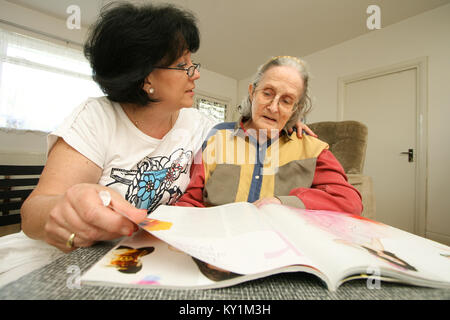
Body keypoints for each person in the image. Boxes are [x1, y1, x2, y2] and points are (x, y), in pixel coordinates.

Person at [0, 3, 313, 286]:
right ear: (145, 78)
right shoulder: (96, 117)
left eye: (194, 63)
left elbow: (247, 133)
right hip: (57, 257)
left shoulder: (200, 125)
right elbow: (32, 215)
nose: (196, 74)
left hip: (142, 259)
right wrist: (64, 210)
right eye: (183, 65)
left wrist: (283, 123)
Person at [176, 56, 363, 215]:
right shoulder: (216, 138)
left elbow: (350, 201)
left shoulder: (313, 150)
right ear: (252, 92)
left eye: (286, 101)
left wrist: (283, 203)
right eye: (267, 93)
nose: (273, 107)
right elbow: (191, 201)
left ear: (295, 109)